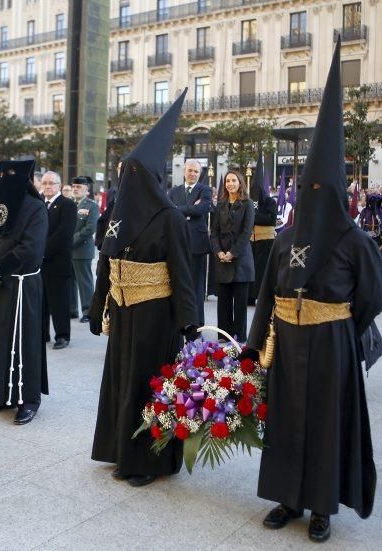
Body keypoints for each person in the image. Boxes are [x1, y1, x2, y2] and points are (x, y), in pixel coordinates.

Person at [242, 41, 382, 543]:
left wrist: (343, 327)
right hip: (287, 340)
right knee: (286, 420)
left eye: (321, 192)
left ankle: (322, 506)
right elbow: (267, 292)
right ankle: (288, 497)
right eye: (308, 192)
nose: (313, 201)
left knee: (324, 423)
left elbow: (373, 296)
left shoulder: (354, 240)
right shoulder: (284, 239)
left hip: (330, 344)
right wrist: (255, 344)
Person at [89, 89, 198, 488]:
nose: (128, 181)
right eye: (125, 173)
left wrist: (189, 322)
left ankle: (149, 460)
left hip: (155, 314)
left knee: (147, 384)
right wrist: (96, 304)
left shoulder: (170, 219)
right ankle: (120, 449)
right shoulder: (116, 217)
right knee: (121, 381)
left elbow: (184, 273)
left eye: (135, 173)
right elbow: (106, 261)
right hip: (122, 310)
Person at [0, 158, 49, 424]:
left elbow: (30, 249)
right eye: (3, 174)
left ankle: (27, 399)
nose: (6, 179)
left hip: (20, 285)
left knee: (22, 342)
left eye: (12, 175)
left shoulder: (35, 209)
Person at [211, 170, 254, 342]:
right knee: (224, 302)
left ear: (240, 182)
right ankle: (224, 334)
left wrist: (232, 253)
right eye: (228, 181)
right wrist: (219, 252)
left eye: (233, 180)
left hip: (240, 259)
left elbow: (246, 232)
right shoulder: (220, 205)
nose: (230, 184)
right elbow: (214, 232)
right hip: (222, 259)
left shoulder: (247, 204)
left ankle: (239, 336)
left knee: (240, 303)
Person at [168, 159, 211, 326]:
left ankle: (197, 323)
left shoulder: (204, 190)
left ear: (199, 174)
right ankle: (180, 321)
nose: (192, 174)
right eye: (190, 170)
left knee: (196, 286)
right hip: (177, 244)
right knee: (178, 284)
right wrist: (189, 209)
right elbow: (168, 210)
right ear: (184, 171)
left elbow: (202, 209)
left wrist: (179, 209)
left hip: (197, 245)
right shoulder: (174, 191)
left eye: (196, 172)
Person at [40, 170, 76, 349]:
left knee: (59, 301)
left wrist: (41, 251)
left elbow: (63, 235)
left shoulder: (67, 205)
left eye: (51, 183)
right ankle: (42, 334)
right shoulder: (38, 204)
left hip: (57, 262)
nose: (47, 186)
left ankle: (62, 335)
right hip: (38, 263)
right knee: (41, 301)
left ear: (59, 186)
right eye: (44, 183)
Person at [70, 176, 99, 324]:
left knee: (84, 281)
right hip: (68, 250)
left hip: (82, 249)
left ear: (87, 190)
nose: (75, 189)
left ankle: (88, 311)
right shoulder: (69, 204)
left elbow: (90, 228)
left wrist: (70, 240)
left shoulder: (91, 206)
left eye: (79, 187)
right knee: (70, 280)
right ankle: (72, 309)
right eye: (74, 186)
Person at [248, 156, 276, 306]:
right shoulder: (248, 202)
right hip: (250, 242)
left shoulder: (270, 202)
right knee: (250, 270)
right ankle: (249, 297)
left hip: (265, 242)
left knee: (262, 272)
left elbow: (270, 220)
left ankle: (262, 297)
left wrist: (254, 215)